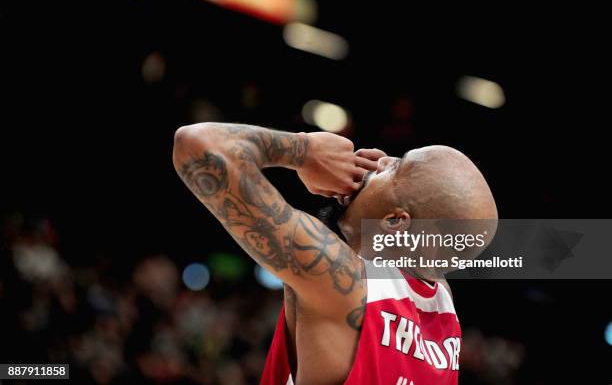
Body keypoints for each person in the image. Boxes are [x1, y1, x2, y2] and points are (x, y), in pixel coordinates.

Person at [172, 123, 497, 385]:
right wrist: (383, 185)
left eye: (394, 164)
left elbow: (196, 145)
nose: (377, 158)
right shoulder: (442, 300)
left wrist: (304, 152)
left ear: (397, 221)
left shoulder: (341, 278)